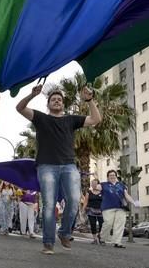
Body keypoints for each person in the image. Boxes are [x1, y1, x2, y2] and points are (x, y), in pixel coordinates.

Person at [16, 84, 101, 254]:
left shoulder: (71, 120)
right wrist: (32, 95)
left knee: (74, 200)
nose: (57, 101)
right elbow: (20, 108)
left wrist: (90, 100)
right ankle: (48, 243)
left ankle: (63, 232)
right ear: (48, 104)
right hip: (46, 166)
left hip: (69, 166)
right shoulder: (40, 118)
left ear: (63, 104)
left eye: (59, 100)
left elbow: (95, 119)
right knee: (48, 205)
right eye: (53, 99)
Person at [100, 170, 138, 248]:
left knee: (119, 224)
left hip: (120, 207)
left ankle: (117, 242)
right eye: (110, 175)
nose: (112, 176)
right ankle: (102, 238)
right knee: (108, 223)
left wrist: (134, 202)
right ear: (108, 177)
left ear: (116, 176)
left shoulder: (121, 185)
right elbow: (95, 188)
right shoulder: (103, 184)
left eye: (114, 175)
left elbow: (126, 195)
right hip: (107, 208)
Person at [82, 179, 104, 244]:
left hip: (101, 211)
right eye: (92, 183)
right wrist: (83, 210)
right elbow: (85, 202)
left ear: (98, 184)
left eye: (95, 183)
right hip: (91, 210)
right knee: (93, 224)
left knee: (102, 224)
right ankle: (94, 239)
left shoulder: (102, 192)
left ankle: (100, 236)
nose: (93, 185)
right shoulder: (89, 192)